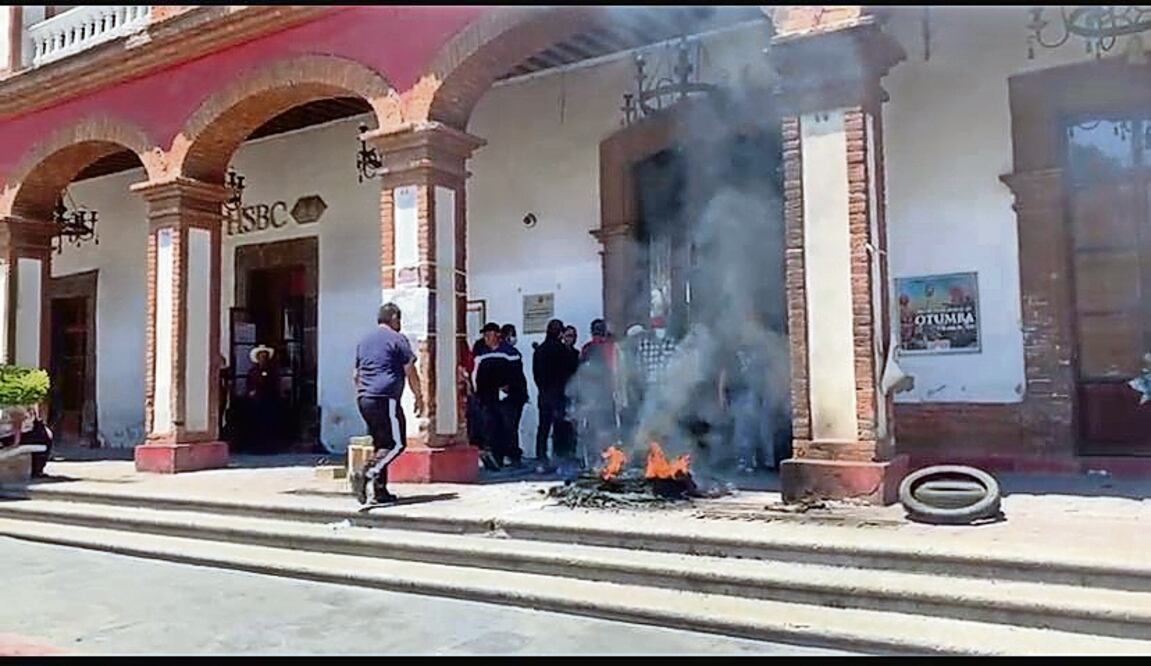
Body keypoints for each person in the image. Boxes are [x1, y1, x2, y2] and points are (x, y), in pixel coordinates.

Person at [351, 302, 426, 506]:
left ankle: (380, 490)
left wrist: (363, 392)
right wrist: (419, 397)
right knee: (396, 444)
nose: (400, 323)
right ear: (394, 318)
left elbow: (356, 374)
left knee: (381, 444)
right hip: (385, 398)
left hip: (365, 398)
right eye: (399, 319)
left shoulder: (364, 341)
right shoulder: (397, 339)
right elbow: (410, 370)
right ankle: (367, 473)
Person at [473, 322, 523, 470]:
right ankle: (497, 457)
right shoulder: (482, 354)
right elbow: (478, 375)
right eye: (485, 335)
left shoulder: (510, 353)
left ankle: (514, 456)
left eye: (490, 335)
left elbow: (516, 375)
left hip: (507, 397)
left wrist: (510, 388)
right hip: (488, 397)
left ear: (498, 336)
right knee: (492, 427)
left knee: (509, 427)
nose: (487, 338)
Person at [532, 318, 579, 468]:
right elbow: (570, 370)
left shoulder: (539, 350)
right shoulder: (562, 350)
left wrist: (542, 388)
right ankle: (561, 455)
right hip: (559, 393)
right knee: (560, 425)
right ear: (559, 333)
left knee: (543, 427)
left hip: (544, 393)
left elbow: (536, 373)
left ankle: (541, 456)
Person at [574, 318, 620, 459]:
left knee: (593, 427)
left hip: (591, 395)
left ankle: (594, 457)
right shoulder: (611, 347)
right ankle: (609, 456)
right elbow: (616, 370)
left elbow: (580, 371)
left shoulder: (587, 348)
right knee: (608, 427)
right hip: (605, 393)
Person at [500, 323, 529, 466]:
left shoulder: (512, 352)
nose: (513, 337)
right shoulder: (505, 352)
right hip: (509, 395)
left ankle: (512, 453)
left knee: (511, 426)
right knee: (509, 426)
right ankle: (510, 454)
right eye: (511, 334)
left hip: (516, 395)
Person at [244, 344, 282, 453]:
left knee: (268, 424)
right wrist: (251, 392)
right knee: (256, 424)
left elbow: (275, 385)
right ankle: (256, 447)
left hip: (269, 400)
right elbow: (249, 385)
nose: (263, 358)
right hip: (256, 402)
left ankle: (269, 447)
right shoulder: (253, 371)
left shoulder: (272, 371)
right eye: (261, 356)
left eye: (265, 356)